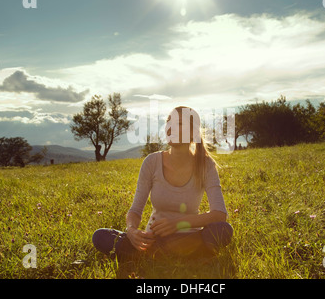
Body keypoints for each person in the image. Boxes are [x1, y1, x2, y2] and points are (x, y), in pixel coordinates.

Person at [92, 106, 233, 261]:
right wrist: (132, 231)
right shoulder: (152, 162)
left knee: (223, 230)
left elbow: (219, 214)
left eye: (179, 124)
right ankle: (177, 253)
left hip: (189, 235)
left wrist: (178, 224)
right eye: (168, 122)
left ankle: (154, 254)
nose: (171, 127)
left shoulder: (205, 164)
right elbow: (135, 210)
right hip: (153, 237)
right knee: (100, 236)